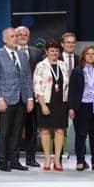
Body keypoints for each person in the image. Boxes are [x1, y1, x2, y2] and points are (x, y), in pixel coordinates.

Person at [0, 28, 35, 171]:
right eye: (12, 36)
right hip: (6, 99)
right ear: (4, 39)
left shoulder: (22, 54)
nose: (15, 38)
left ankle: (14, 160)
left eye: (16, 36)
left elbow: (27, 77)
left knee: (17, 132)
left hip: (21, 99)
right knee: (5, 132)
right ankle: (3, 162)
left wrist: (30, 97)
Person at [67, 45, 94, 171]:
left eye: (92, 54)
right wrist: (71, 107)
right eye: (88, 54)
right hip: (82, 106)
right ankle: (80, 161)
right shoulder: (77, 71)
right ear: (83, 56)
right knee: (81, 135)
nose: (90, 56)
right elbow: (72, 91)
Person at [33, 40, 69, 171]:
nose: (54, 53)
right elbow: (37, 86)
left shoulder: (63, 65)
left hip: (61, 103)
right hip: (45, 102)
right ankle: (47, 159)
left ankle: (57, 160)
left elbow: (67, 85)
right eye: (52, 50)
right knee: (45, 131)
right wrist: (43, 105)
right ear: (46, 51)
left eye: (56, 51)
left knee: (60, 131)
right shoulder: (41, 66)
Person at [14, 26, 44, 167]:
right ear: (15, 36)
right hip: (15, 96)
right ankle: (13, 158)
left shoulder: (37, 52)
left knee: (32, 129)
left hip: (33, 97)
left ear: (29, 36)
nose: (22, 36)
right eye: (19, 34)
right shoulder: (11, 52)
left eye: (25, 34)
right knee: (16, 129)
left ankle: (30, 158)